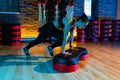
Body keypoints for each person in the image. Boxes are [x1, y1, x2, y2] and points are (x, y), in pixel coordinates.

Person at [22, 11, 89, 57]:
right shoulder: (69, 22)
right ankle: (26, 48)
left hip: (56, 30)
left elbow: (71, 37)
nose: (84, 27)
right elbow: (65, 37)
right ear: (80, 21)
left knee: (63, 39)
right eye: (84, 25)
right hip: (49, 27)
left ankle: (50, 47)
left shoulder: (74, 26)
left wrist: (71, 47)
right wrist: (63, 52)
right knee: (39, 40)